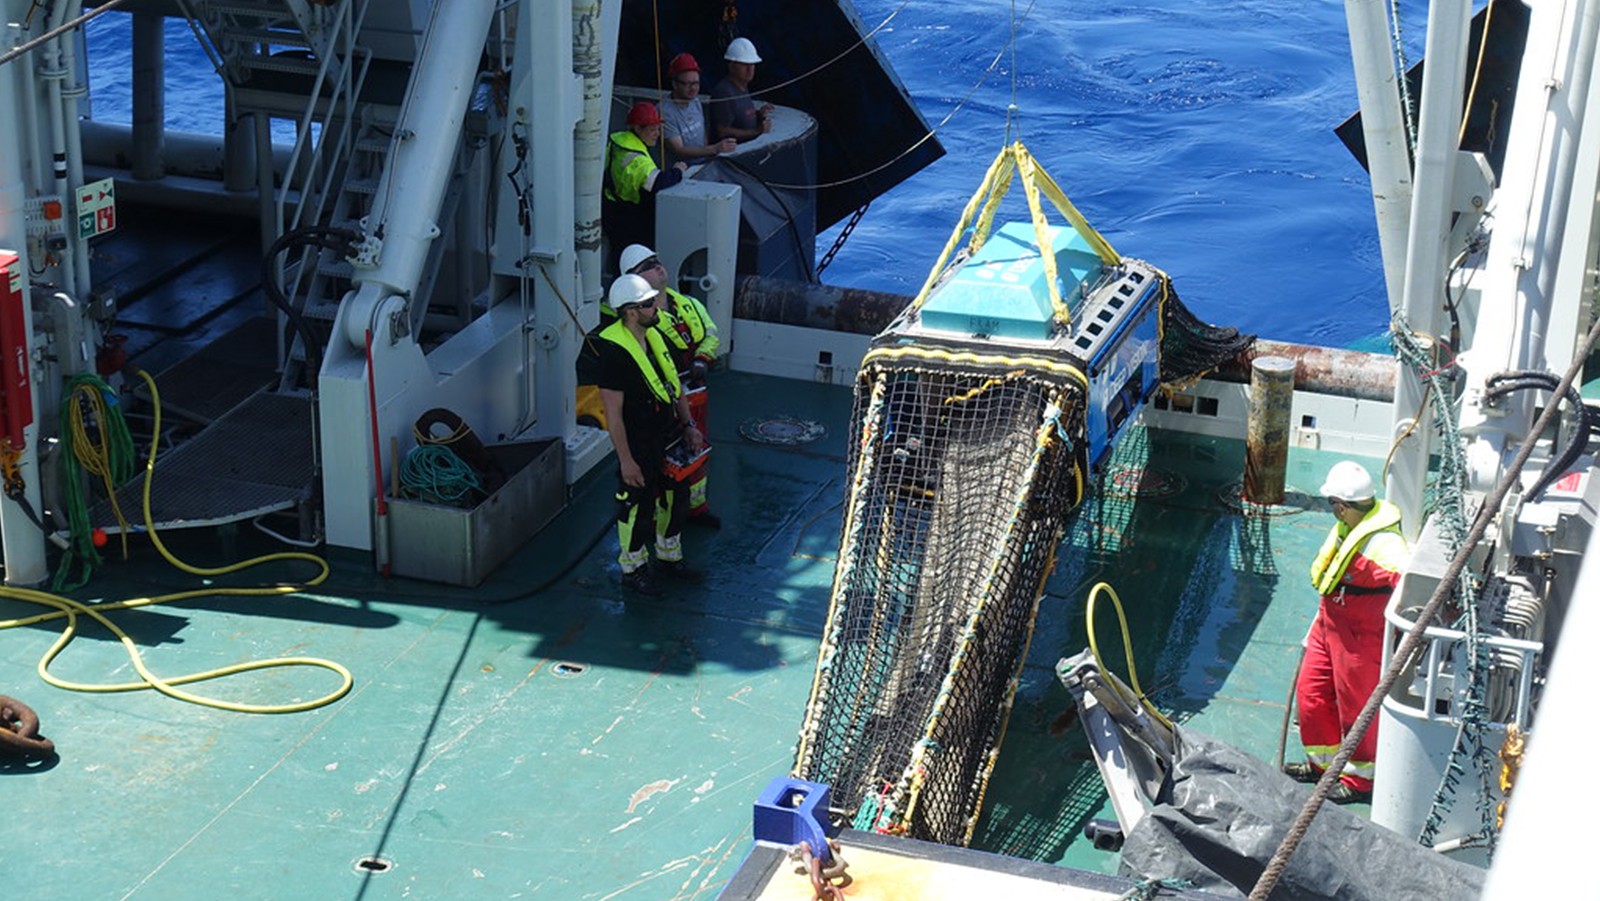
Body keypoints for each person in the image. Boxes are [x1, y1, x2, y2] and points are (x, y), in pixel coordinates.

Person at [1284, 460, 1409, 803]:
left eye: (1332, 505)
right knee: (1311, 695)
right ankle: (1323, 766)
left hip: (1360, 637)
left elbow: (1411, 588)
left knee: (1357, 708)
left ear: (1341, 506)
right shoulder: (1348, 529)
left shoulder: (1386, 546)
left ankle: (1359, 780)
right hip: (1329, 624)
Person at [597, 274, 707, 595]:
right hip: (638, 441)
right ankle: (633, 570)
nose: (656, 305)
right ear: (631, 312)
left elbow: (675, 386)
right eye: (648, 303)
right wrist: (626, 461)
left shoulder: (654, 335)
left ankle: (669, 558)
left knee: (676, 495)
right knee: (636, 507)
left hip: (667, 432)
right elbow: (613, 415)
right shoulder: (614, 354)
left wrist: (688, 426)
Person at [619, 243, 721, 528]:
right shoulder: (639, 320)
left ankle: (697, 508)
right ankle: (657, 520)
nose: (658, 266)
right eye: (648, 265)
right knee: (667, 463)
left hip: (697, 396)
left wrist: (703, 358)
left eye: (657, 260)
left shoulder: (688, 304)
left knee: (698, 451)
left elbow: (710, 333)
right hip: (665, 402)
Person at [603, 101, 688, 271]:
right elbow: (658, 182)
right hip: (628, 218)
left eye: (658, 128)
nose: (657, 134)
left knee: (619, 260)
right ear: (637, 128)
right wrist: (678, 171)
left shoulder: (618, 142)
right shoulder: (637, 159)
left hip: (611, 207)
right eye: (652, 129)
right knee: (634, 263)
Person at [661, 53, 738, 166]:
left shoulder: (695, 101)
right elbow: (678, 150)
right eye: (687, 84)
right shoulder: (665, 111)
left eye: (696, 83)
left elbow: (703, 136)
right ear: (674, 84)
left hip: (703, 165)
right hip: (681, 173)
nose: (693, 88)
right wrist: (715, 148)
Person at [709, 37, 775, 144]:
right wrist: (756, 131)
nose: (750, 69)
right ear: (731, 65)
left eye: (752, 64)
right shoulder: (724, 92)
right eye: (744, 64)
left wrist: (758, 115)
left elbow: (740, 115)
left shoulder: (742, 86)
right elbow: (722, 131)